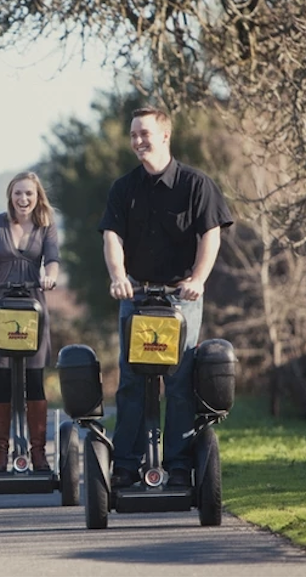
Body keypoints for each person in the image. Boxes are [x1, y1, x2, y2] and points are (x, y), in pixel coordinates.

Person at [98, 106, 233, 489]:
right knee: (131, 381)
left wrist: (199, 279)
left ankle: (177, 464)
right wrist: (118, 277)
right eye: (133, 135)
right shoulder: (124, 188)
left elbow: (212, 234)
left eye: (144, 133)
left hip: (181, 297)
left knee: (178, 381)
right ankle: (125, 463)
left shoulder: (196, 184)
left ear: (165, 136)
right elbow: (112, 236)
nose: (138, 140)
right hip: (137, 296)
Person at [0, 171, 60, 472]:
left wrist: (50, 277)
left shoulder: (46, 227)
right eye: (18, 193)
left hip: (33, 309)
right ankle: (1, 453)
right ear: (10, 196)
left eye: (29, 194)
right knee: (1, 380)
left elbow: (52, 260)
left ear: (37, 197)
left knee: (34, 380)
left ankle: (38, 453)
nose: (23, 199)